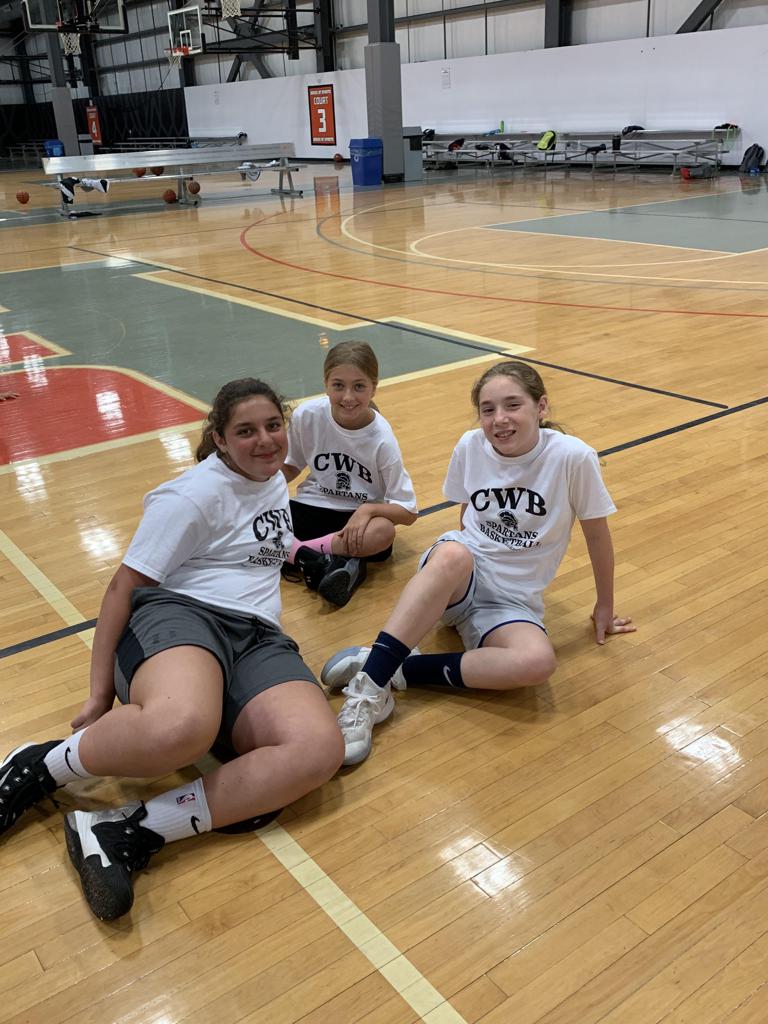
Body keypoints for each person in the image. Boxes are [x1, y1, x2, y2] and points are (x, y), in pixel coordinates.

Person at [0, 378, 343, 920]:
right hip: (182, 615)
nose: (264, 440)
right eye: (245, 431)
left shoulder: (274, 473)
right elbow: (122, 587)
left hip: (257, 636)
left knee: (318, 749)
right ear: (220, 439)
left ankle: (123, 828)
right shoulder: (190, 497)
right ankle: (39, 766)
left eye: (273, 426)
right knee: (180, 728)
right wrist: (98, 694)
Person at [320, 360, 635, 765]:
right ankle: (367, 691)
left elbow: (597, 536)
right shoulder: (470, 445)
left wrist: (605, 605)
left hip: (511, 603)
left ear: (541, 407)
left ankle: (392, 667)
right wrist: (456, 575)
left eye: (512, 405)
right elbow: (466, 515)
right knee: (454, 551)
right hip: (459, 575)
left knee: (538, 663)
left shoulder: (573, 457)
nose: (499, 419)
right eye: (488, 409)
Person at [282, 341, 418, 607]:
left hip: (356, 522)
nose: (348, 397)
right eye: (338, 385)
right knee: (257, 515)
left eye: (359, 386)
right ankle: (328, 561)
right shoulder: (307, 415)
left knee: (383, 532)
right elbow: (291, 465)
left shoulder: (382, 439)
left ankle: (295, 553)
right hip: (312, 506)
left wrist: (368, 510)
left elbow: (409, 512)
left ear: (373, 387)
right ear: (325, 384)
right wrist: (254, 490)